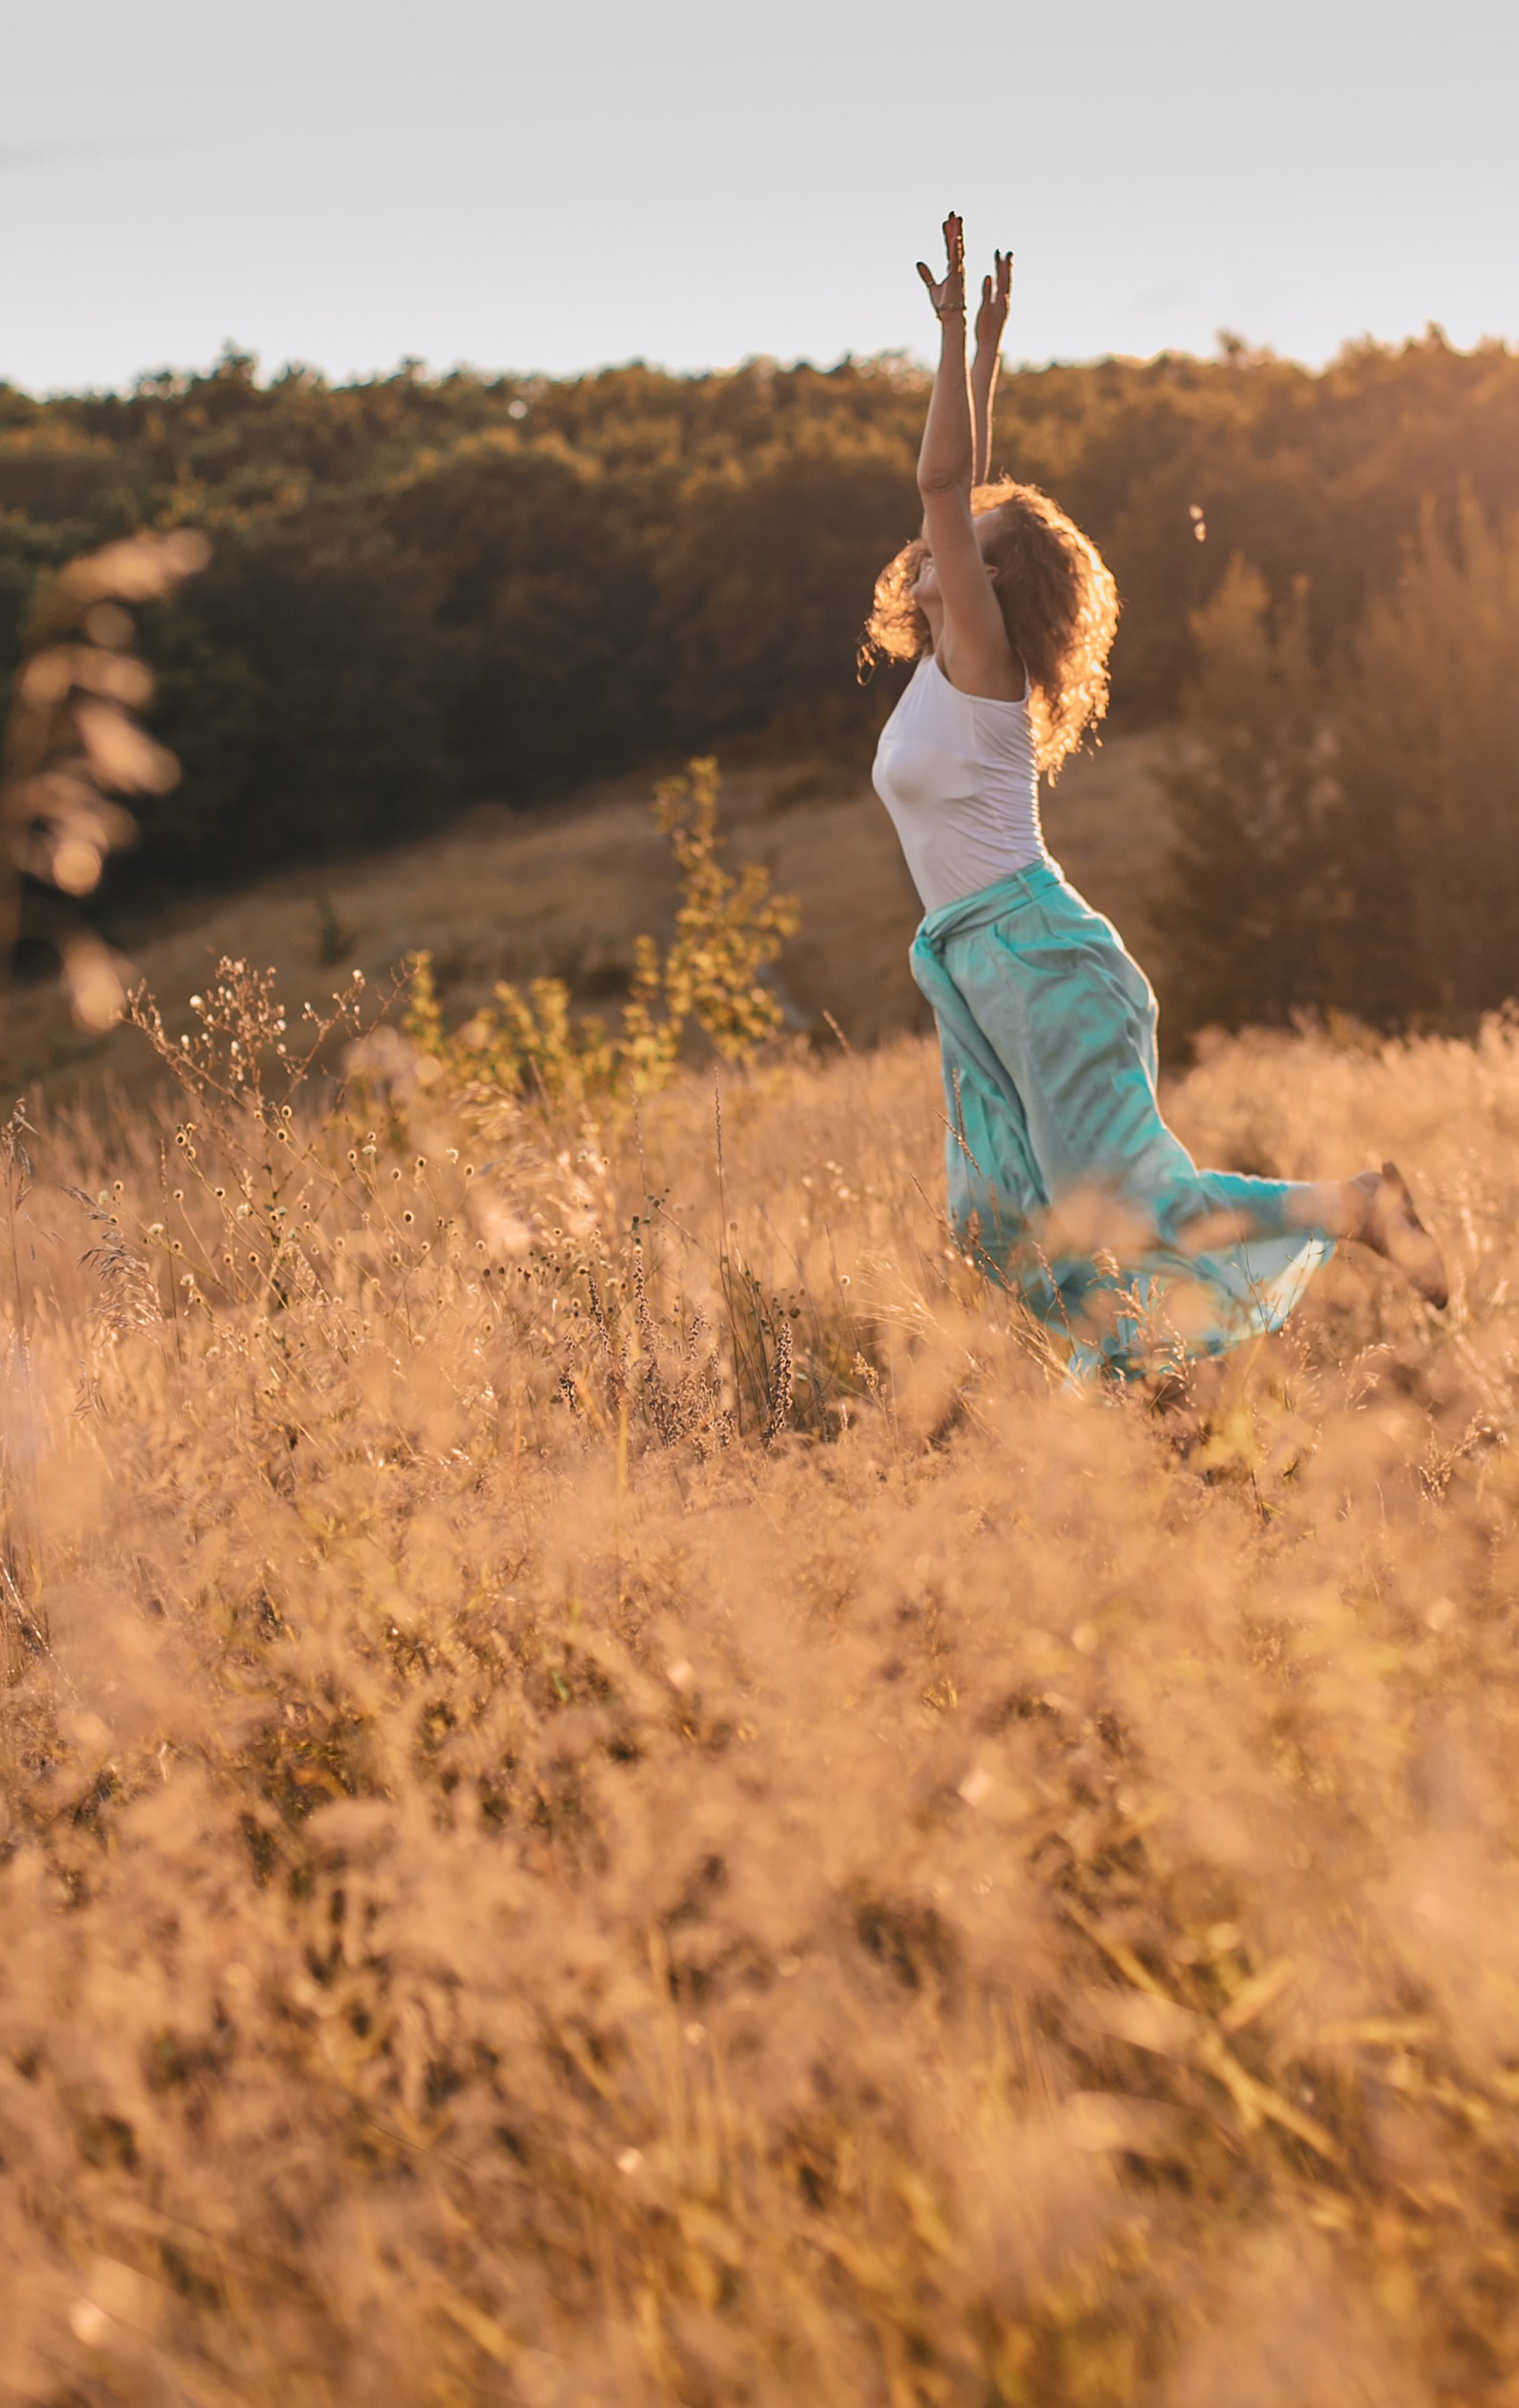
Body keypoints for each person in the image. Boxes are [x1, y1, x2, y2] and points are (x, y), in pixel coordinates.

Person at [865, 214, 1447, 1377]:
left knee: (1131, 1210)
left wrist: (941, 333)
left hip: (1038, 964)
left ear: (986, 582)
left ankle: (1351, 1211)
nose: (933, 534)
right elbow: (958, 477)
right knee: (994, 1226)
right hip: (984, 976)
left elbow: (941, 476)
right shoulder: (945, 666)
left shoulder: (982, 664)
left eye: (962, 536)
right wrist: (982, 348)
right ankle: (1146, 1385)